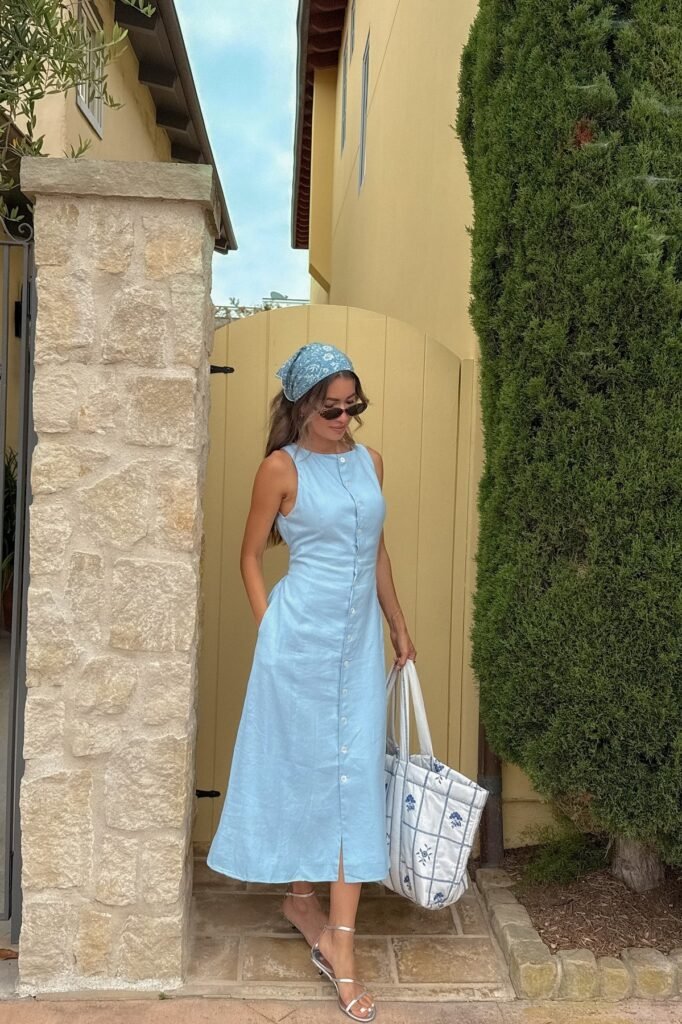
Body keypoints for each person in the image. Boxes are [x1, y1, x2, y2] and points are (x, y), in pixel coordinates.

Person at [207, 342, 416, 1021]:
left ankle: (340, 940)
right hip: (296, 641)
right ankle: (302, 900)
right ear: (302, 406)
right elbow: (248, 556)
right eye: (331, 408)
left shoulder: (370, 461)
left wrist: (398, 624)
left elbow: (376, 551)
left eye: (354, 406)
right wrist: (268, 627)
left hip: (356, 646)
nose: (344, 418)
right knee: (302, 767)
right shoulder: (280, 468)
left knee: (353, 775)